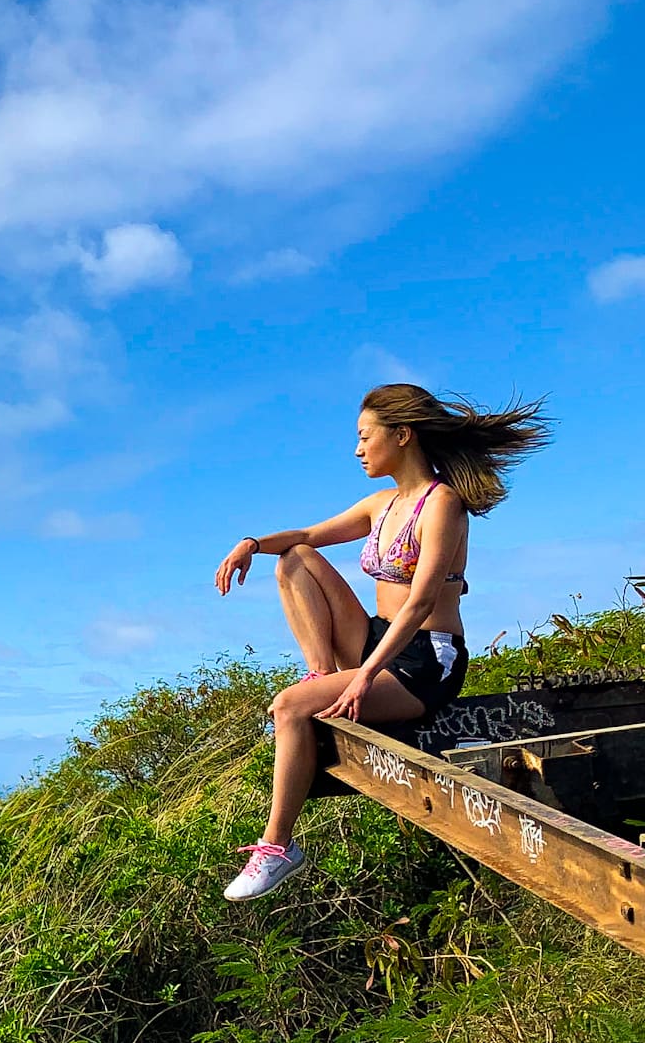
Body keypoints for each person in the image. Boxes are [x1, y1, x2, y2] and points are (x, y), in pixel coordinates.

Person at [212, 382, 550, 901]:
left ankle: (278, 848)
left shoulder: (444, 506)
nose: (357, 449)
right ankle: (323, 673)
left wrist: (365, 678)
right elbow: (306, 535)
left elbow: (417, 605)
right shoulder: (382, 503)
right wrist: (250, 544)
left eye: (365, 436)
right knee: (295, 558)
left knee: (289, 708)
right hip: (377, 640)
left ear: (403, 435)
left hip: (425, 658)